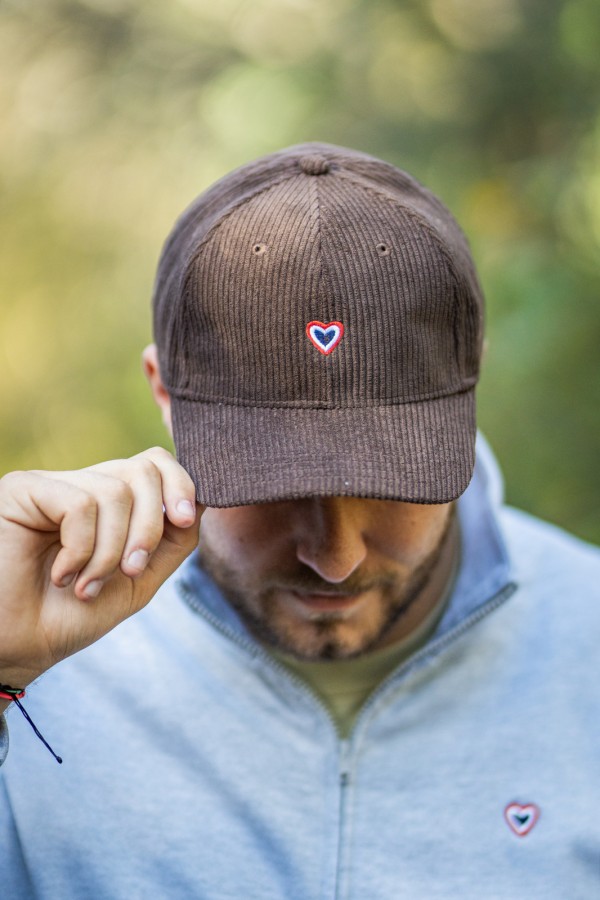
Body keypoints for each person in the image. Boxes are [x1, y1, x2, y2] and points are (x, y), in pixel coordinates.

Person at [0, 143, 599, 899]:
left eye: (391, 484)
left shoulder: (591, 642)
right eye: (272, 486)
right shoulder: (40, 654)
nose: (336, 559)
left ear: (469, 380)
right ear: (164, 390)